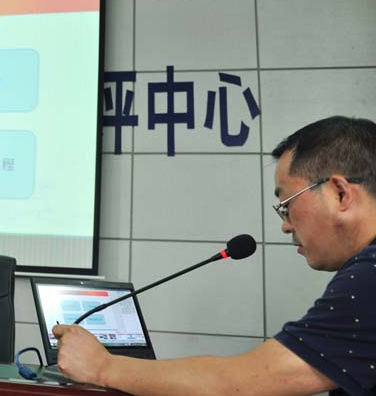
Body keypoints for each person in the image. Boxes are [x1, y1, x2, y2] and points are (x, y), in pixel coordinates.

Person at [53, 116, 376, 396]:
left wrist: (102, 366)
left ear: (340, 193)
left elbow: (237, 385)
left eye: (286, 204)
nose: (286, 225)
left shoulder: (368, 277)